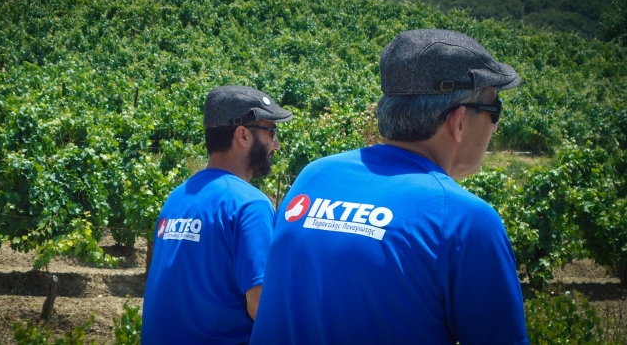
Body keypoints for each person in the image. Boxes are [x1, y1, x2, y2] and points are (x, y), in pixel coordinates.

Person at [251, 29, 529, 345]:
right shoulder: (463, 221)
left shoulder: (314, 177)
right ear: (459, 121)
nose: (495, 126)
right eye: (496, 111)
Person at [141, 85, 293, 344]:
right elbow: (262, 305)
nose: (276, 145)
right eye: (271, 132)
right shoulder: (249, 204)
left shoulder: (177, 197)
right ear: (243, 135)